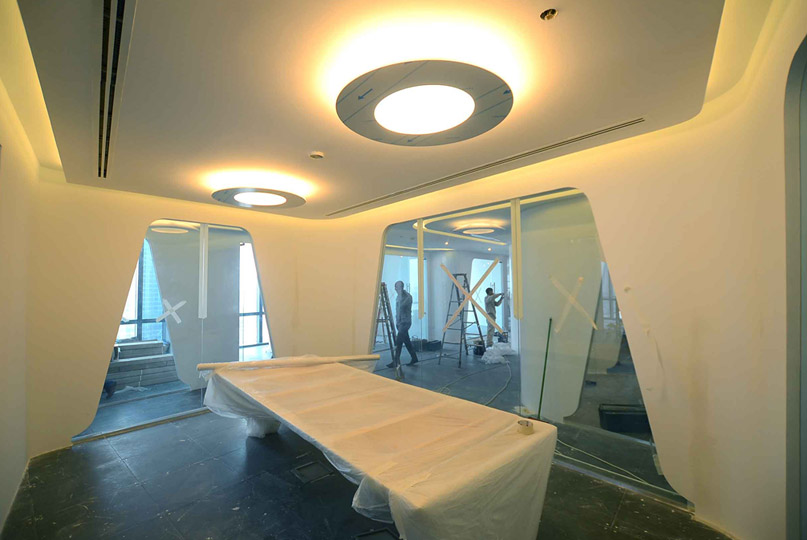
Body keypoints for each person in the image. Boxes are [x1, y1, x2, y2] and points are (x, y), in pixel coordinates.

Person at [388, 280, 419, 367]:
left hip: (405, 322)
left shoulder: (407, 297)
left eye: (397, 287)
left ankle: (396, 361)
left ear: (401, 287)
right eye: (395, 287)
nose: (396, 289)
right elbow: (398, 310)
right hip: (400, 322)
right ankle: (414, 357)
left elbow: (402, 307)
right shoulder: (398, 296)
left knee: (399, 341)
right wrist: (397, 321)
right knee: (406, 341)